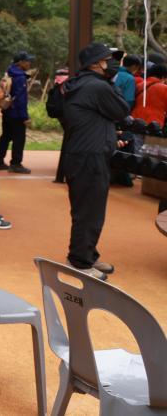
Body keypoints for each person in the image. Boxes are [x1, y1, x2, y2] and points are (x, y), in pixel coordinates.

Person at [60, 43, 131, 280]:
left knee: (85, 209)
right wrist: (112, 83)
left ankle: (87, 253)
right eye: (108, 59)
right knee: (90, 211)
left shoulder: (78, 84)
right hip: (89, 157)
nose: (112, 64)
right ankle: (80, 261)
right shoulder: (98, 87)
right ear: (94, 64)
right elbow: (121, 109)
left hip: (80, 154)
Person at [0, 51, 34, 173]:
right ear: (20, 62)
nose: (29, 63)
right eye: (27, 61)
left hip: (6, 109)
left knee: (5, 136)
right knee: (19, 138)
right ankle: (16, 164)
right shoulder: (20, 77)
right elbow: (21, 100)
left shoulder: (9, 72)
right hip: (16, 114)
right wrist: (25, 117)